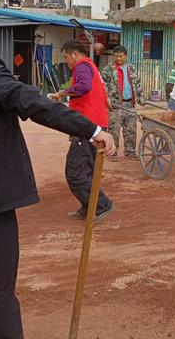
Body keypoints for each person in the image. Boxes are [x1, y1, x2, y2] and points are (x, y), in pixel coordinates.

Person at [0, 55, 115, 339]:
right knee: (0, 294)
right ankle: (98, 204)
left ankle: (99, 204)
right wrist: (90, 129)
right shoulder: (85, 69)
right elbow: (30, 101)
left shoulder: (85, 68)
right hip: (0, 199)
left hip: (88, 122)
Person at [48, 40, 115, 221]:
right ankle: (89, 206)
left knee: (76, 173)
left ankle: (101, 205)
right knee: (87, 170)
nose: (67, 62)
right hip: (96, 124)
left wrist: (62, 93)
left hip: (87, 127)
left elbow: (84, 87)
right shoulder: (92, 67)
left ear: (74, 54)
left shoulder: (82, 66)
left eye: (66, 57)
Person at [102, 45, 144, 161]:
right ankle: (112, 153)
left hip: (130, 104)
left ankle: (130, 152)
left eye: (121, 56)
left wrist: (141, 97)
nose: (118, 59)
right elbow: (103, 85)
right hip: (116, 105)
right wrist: (107, 100)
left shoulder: (132, 68)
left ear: (125, 56)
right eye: (116, 56)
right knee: (114, 130)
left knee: (131, 130)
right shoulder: (108, 69)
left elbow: (138, 84)